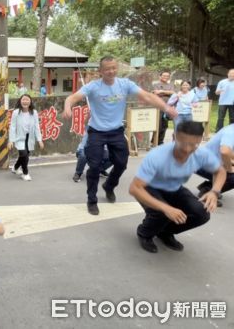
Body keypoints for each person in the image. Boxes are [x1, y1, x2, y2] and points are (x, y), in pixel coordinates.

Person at [63, 56, 178, 216]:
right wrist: (68, 107)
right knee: (94, 167)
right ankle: (91, 200)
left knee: (121, 163)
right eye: (107, 69)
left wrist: (166, 108)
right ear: (101, 71)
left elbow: (147, 96)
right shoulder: (93, 86)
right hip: (96, 131)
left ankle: (109, 185)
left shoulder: (125, 84)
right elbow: (72, 97)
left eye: (113, 68)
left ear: (117, 68)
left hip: (116, 131)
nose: (111, 71)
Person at [129, 121, 226, 253]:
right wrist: (166, 208)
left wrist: (214, 192)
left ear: (200, 140)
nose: (187, 149)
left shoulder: (201, 154)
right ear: (174, 137)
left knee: (202, 213)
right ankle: (144, 233)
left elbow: (220, 171)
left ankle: (164, 232)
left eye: (193, 144)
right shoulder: (157, 156)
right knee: (162, 213)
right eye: (183, 143)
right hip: (149, 187)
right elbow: (135, 188)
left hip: (174, 188)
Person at [196, 124, 234, 207]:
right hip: (201, 163)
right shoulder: (230, 132)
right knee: (230, 176)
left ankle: (208, 188)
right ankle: (210, 194)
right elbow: (225, 152)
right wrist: (230, 169)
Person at [8, 94, 44, 181]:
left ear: (30, 101)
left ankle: (15, 168)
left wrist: (39, 140)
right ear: (20, 101)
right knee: (24, 155)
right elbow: (12, 127)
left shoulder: (34, 112)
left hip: (29, 137)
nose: (25, 101)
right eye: (23, 100)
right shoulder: (16, 112)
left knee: (24, 155)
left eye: (27, 100)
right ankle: (25, 173)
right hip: (20, 137)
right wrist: (11, 140)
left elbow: (36, 126)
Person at [150, 70, 174, 146]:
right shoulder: (155, 84)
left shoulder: (170, 85)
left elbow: (173, 93)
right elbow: (155, 93)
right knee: (158, 125)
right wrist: (167, 92)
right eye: (164, 76)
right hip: (158, 108)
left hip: (167, 108)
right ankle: (154, 141)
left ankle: (160, 141)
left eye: (167, 76)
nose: (166, 77)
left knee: (164, 125)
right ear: (160, 76)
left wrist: (162, 91)